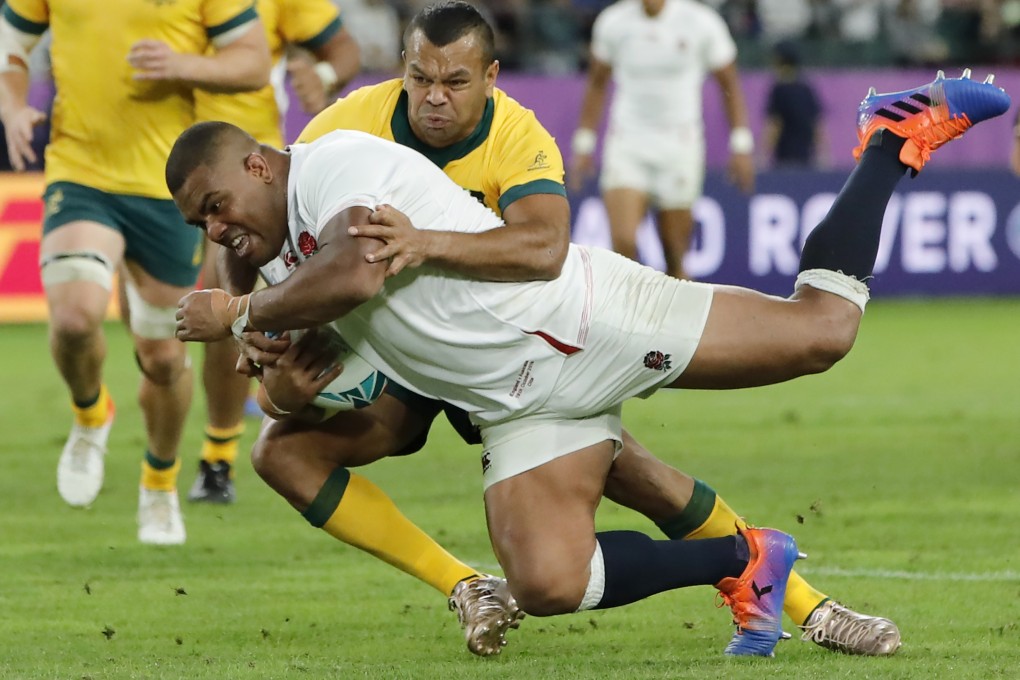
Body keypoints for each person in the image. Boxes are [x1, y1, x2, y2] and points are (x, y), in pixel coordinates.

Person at [169, 72, 1009, 654]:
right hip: (520, 405)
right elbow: (285, 380)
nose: (216, 230)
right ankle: (747, 560)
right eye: (200, 223)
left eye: (217, 207)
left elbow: (355, 268)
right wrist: (275, 373)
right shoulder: (264, 254)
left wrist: (238, 315)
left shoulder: (333, 161)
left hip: (588, 320)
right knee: (546, 584)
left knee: (821, 333)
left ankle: (888, 139)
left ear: (259, 164)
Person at [0, 0, 271, 544]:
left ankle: (159, 482)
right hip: (79, 173)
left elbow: (254, 61)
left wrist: (183, 64)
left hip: (164, 189)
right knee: (74, 320)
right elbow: (11, 46)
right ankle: (90, 413)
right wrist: (12, 107)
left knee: (164, 358)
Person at [188, 0, 360, 505]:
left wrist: (323, 74)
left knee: (222, 305)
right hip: (148, 169)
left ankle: (219, 454)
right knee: (156, 338)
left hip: (241, 177)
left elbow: (343, 48)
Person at [569, 0, 754, 281]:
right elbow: (597, 83)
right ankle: (628, 309)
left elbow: (729, 83)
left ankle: (675, 309)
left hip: (679, 146)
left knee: (675, 256)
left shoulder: (701, 22)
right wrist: (584, 144)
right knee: (623, 246)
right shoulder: (613, 22)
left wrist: (741, 145)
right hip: (628, 142)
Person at [762, 39, 826, 169]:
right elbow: (816, 124)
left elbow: (775, 124)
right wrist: (824, 155)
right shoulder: (805, 88)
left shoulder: (779, 90)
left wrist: (762, 156)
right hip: (805, 158)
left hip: (785, 159)